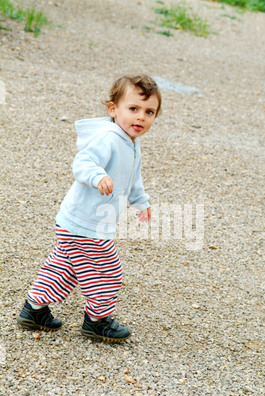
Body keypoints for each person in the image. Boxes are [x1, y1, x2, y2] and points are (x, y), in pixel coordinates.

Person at [17, 74, 162, 343]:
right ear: (113, 110)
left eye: (149, 111)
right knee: (108, 270)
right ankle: (97, 320)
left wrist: (141, 201)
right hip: (87, 225)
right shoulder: (108, 137)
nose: (141, 117)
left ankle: (34, 309)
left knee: (64, 267)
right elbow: (83, 162)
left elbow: (133, 177)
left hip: (76, 222)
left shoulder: (131, 142)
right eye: (133, 109)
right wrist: (97, 176)